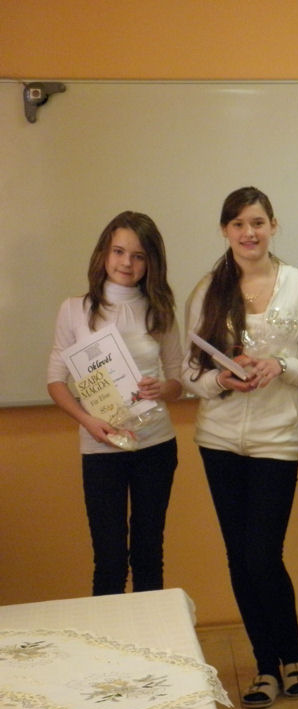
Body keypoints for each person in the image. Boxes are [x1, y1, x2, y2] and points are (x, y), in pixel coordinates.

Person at [184, 186, 298, 709]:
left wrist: (280, 366)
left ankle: (292, 655)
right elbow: (189, 373)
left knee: (263, 553)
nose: (249, 233)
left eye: (258, 222)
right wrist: (221, 379)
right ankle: (266, 666)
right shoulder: (207, 290)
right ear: (226, 230)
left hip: (276, 440)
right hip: (218, 439)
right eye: (239, 224)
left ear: (273, 226)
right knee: (240, 557)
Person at [47, 212, 182, 596]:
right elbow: (55, 380)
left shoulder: (160, 309)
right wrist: (87, 421)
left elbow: (178, 381)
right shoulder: (74, 309)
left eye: (138, 256)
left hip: (155, 445)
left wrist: (163, 388)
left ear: (151, 262)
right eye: (119, 252)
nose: (127, 263)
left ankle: (152, 635)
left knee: (149, 554)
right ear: (104, 254)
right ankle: (109, 636)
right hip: (101, 447)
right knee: (108, 559)